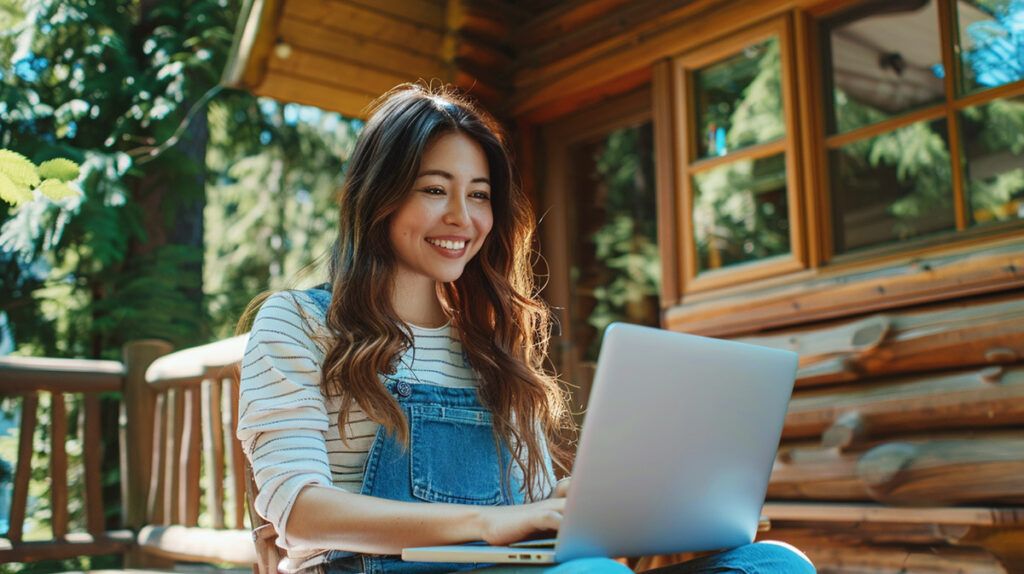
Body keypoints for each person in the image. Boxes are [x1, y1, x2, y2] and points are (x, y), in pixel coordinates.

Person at [236, 83, 815, 574]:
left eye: (479, 195)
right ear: (379, 197)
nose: (462, 218)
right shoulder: (299, 322)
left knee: (775, 564)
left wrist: (581, 508)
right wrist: (490, 522)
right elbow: (299, 508)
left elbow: (527, 512)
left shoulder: (490, 349)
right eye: (435, 190)